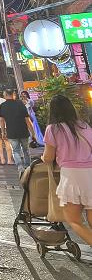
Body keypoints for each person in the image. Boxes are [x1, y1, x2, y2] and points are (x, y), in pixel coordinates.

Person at [41, 95, 92, 246]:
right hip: (90, 173)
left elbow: (48, 157)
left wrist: (44, 158)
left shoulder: (53, 129)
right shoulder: (84, 126)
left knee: (74, 221)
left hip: (72, 176)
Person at [0, 89, 35, 178]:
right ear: (13, 94)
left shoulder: (2, 105)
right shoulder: (20, 103)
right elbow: (27, 119)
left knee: (16, 151)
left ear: (5, 94)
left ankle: (20, 167)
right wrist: (33, 132)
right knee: (26, 150)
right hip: (23, 130)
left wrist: (3, 132)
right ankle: (27, 167)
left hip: (11, 131)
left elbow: (2, 120)